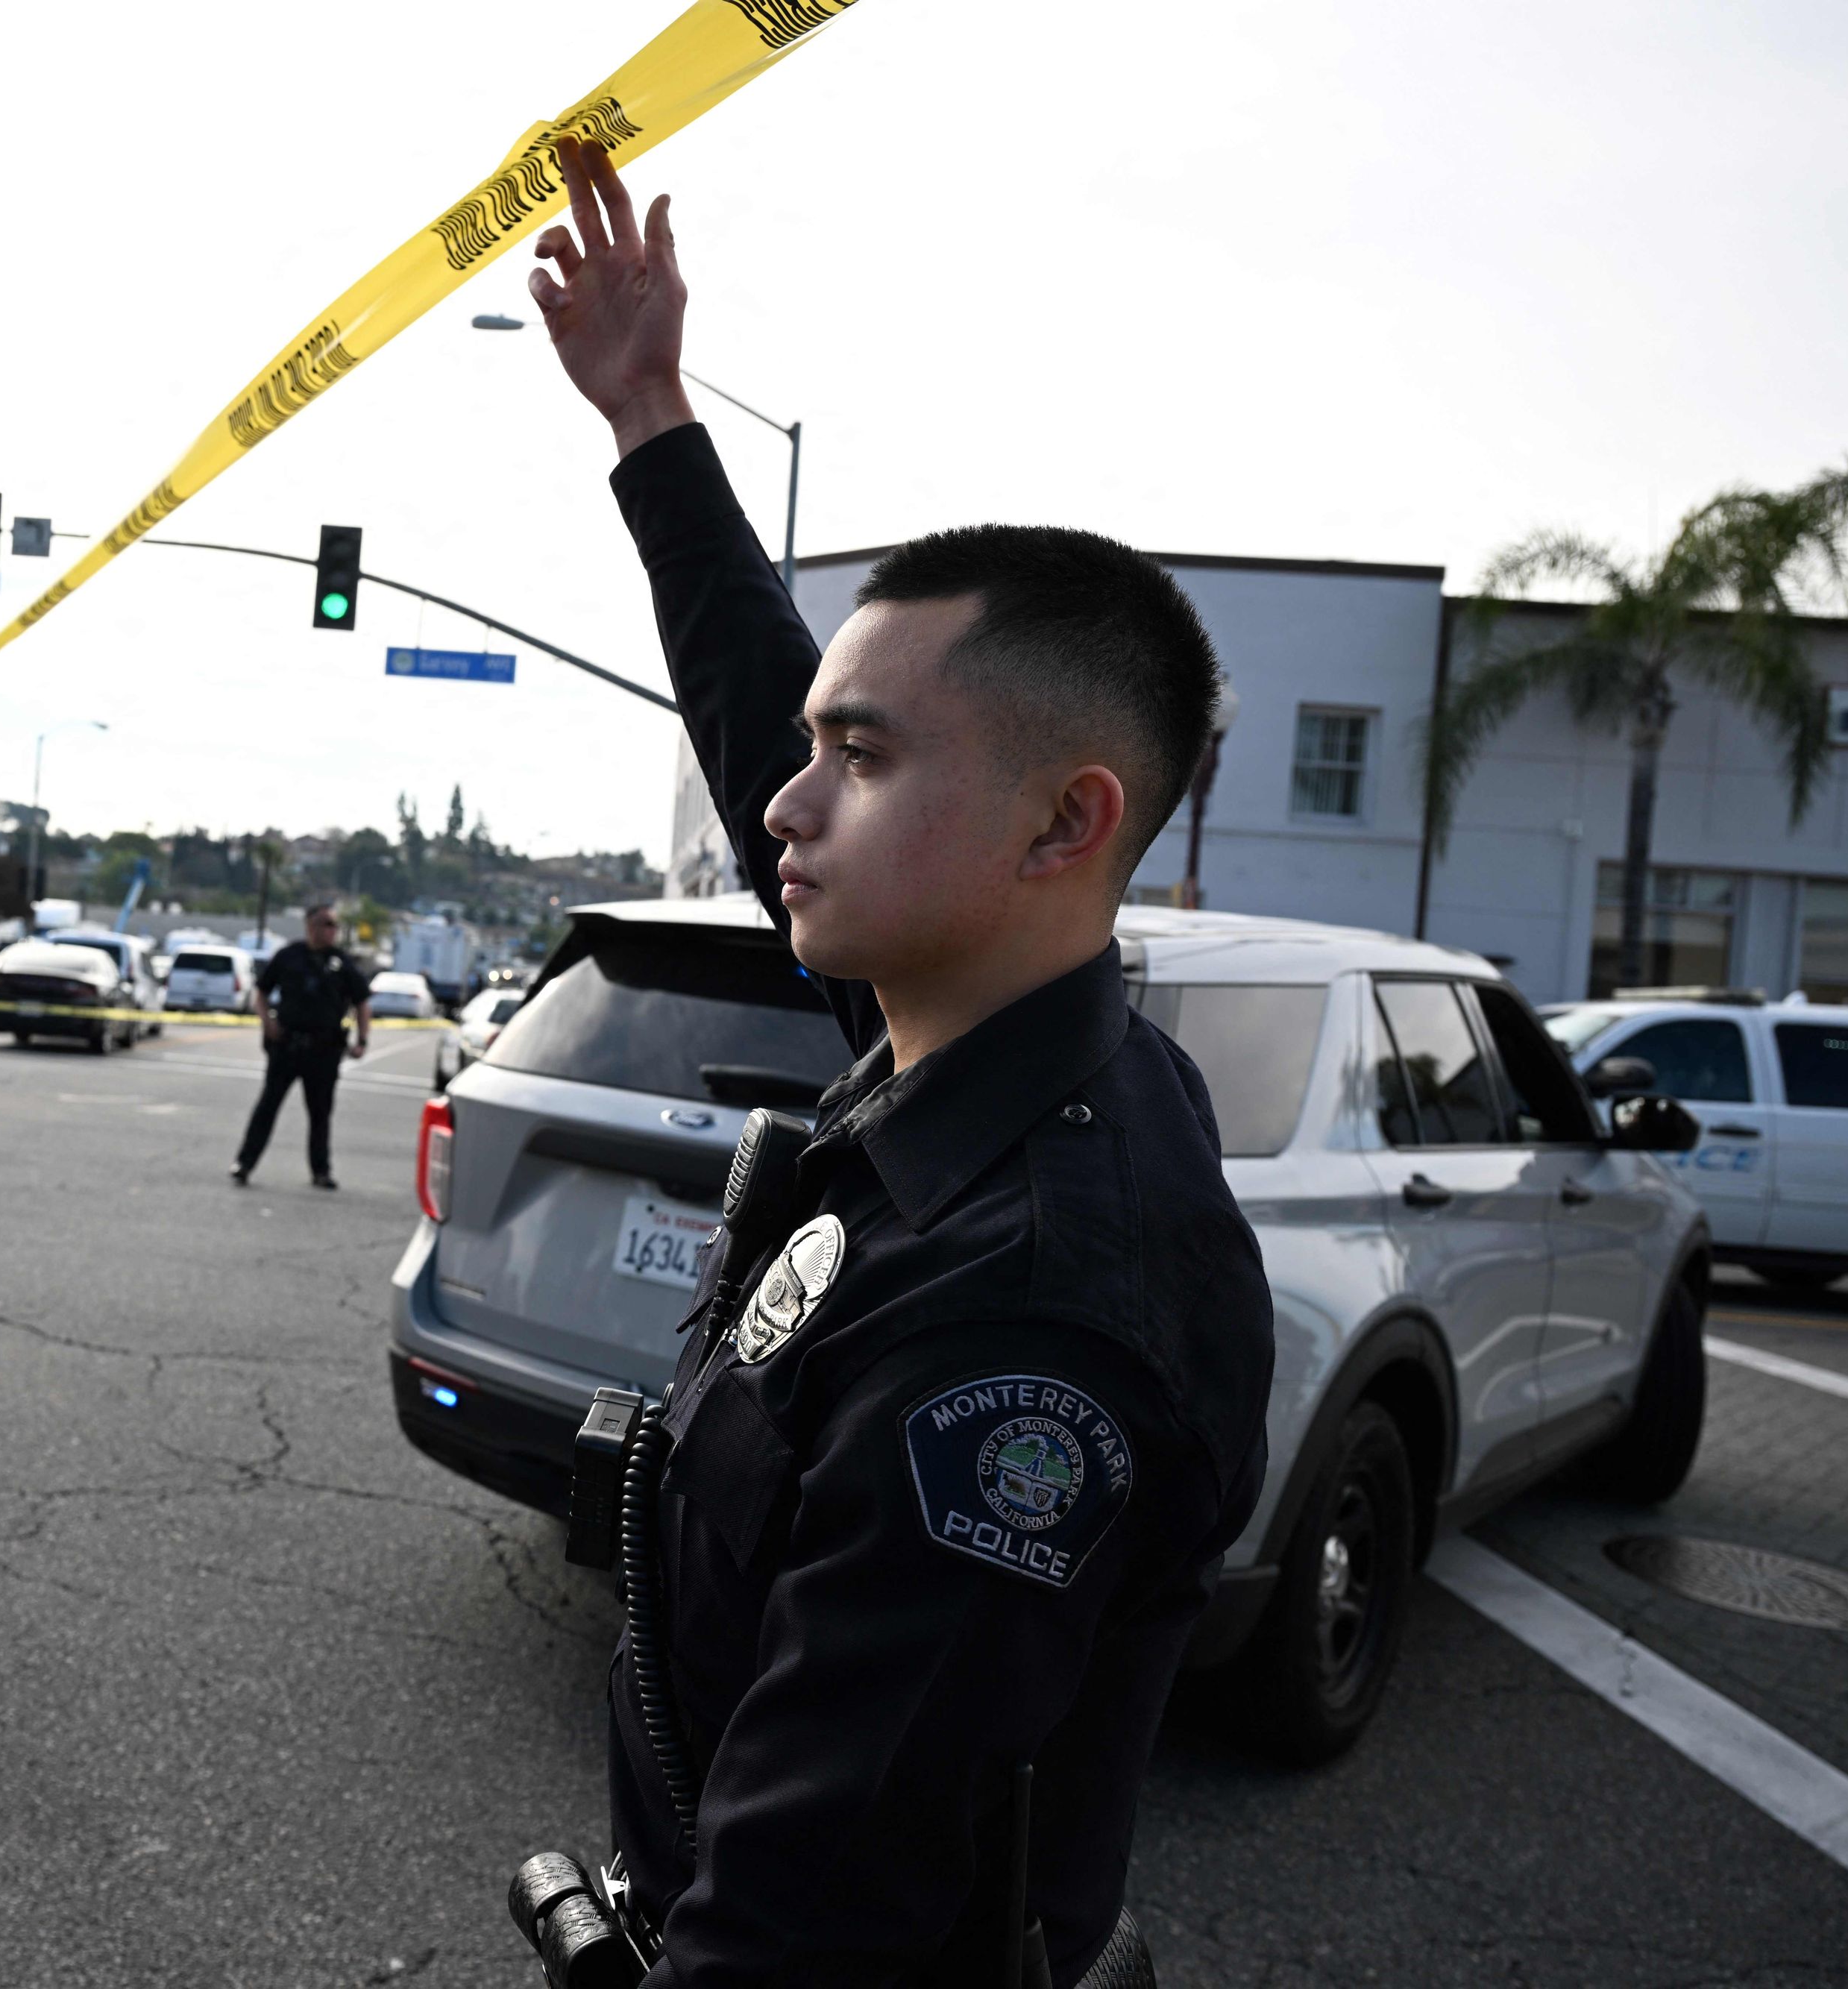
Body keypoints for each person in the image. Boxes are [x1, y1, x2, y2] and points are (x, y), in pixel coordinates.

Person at [527, 137, 1272, 1985]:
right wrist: (649, 427)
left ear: (1057, 825)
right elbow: (745, 700)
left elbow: (812, 1922)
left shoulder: (1023, 1322)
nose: (780, 806)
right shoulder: (979, 1038)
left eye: (856, 758)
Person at [230, 901, 369, 1190]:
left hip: (324, 1050)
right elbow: (262, 993)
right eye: (326, 924)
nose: (331, 931)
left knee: (320, 1114)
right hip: (287, 1046)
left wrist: (362, 1039)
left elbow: (362, 1001)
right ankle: (244, 1164)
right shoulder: (289, 956)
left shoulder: (342, 963)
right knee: (267, 1107)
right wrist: (268, 1022)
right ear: (310, 926)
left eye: (334, 925)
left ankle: (321, 1171)